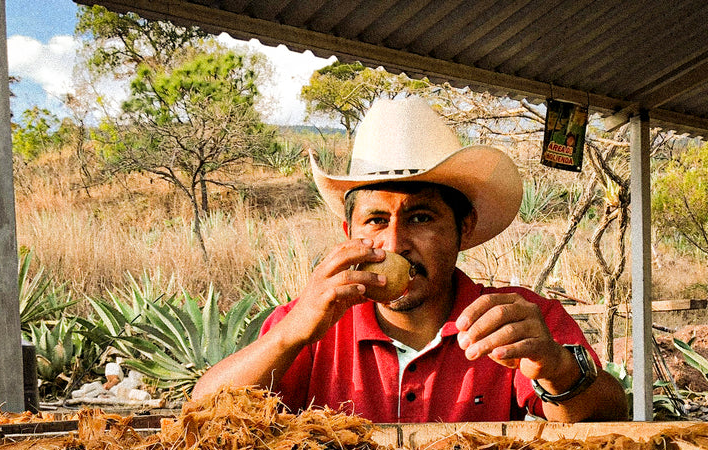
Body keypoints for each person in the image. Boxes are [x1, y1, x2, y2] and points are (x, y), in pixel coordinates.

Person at [193, 96, 628, 423]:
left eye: (421, 217)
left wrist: (556, 367)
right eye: (376, 220)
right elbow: (203, 413)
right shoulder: (311, 324)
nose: (395, 243)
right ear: (349, 234)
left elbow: (610, 420)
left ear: (465, 227)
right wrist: (288, 336)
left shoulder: (514, 318)